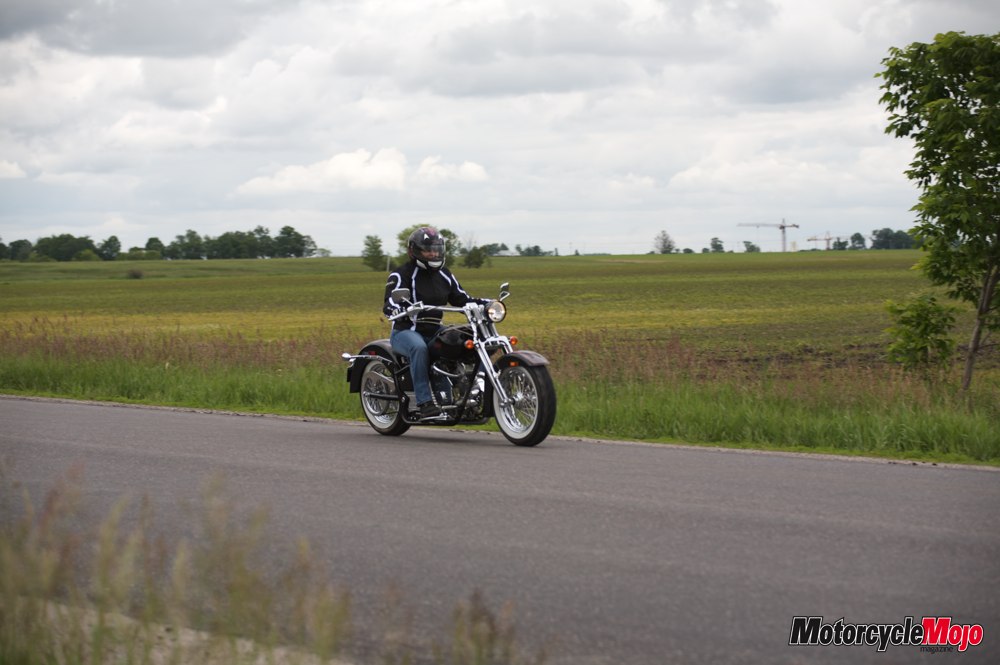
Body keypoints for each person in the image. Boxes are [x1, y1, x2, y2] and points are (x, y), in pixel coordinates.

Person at [383, 227, 485, 420]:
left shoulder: (444, 274)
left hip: (434, 329)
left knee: (467, 341)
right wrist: (396, 309)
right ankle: (424, 403)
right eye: (428, 250)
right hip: (406, 331)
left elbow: (462, 299)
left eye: (436, 249)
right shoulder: (401, 274)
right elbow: (390, 302)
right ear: (413, 251)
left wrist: (486, 304)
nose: (433, 254)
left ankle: (470, 392)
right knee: (419, 348)